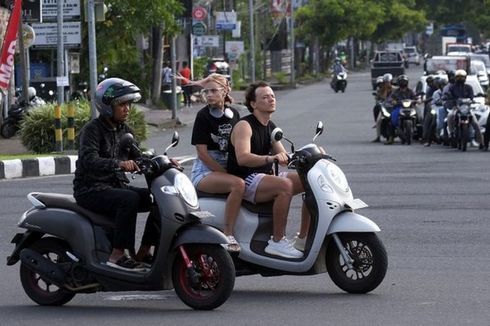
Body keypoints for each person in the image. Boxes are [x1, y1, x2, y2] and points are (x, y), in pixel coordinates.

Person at [73, 78, 159, 272]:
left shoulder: (124, 131)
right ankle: (117, 255)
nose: (127, 108)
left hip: (114, 187)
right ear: (106, 106)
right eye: (122, 104)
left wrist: (162, 162)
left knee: (157, 198)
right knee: (128, 200)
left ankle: (144, 251)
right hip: (91, 189)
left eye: (128, 104)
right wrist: (119, 164)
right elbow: (89, 160)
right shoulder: (92, 130)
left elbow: (139, 155)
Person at [227, 81, 310, 259]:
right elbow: (242, 158)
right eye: (265, 97)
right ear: (253, 104)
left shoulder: (270, 126)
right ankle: (277, 241)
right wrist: (270, 158)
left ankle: (303, 237)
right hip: (246, 178)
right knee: (284, 186)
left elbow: (284, 156)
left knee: (309, 180)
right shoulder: (244, 126)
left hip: (264, 176)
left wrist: (309, 155)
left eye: (272, 96)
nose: (271, 99)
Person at [189, 73, 244, 251]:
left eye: (214, 91)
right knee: (238, 185)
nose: (209, 95)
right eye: (206, 92)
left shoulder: (234, 114)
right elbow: (202, 154)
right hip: (206, 171)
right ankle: (228, 234)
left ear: (225, 91)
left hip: (228, 168)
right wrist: (225, 173)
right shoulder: (202, 116)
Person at [444, 69, 483, 148]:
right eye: (458, 77)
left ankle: (481, 142)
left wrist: (472, 100)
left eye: (462, 77)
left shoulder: (468, 87)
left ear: (465, 78)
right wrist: (449, 99)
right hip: (456, 107)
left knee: (475, 123)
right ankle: (451, 133)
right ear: (455, 78)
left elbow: (471, 97)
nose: (460, 79)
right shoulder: (452, 87)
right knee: (450, 116)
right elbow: (448, 96)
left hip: (466, 108)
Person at [385, 74, 417, 145]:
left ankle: (421, 135)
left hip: (410, 108)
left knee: (420, 117)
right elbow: (390, 98)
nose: (403, 83)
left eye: (404, 82)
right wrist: (392, 101)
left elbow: (415, 98)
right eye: (402, 82)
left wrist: (417, 100)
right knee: (391, 120)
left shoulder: (410, 91)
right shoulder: (396, 91)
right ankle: (391, 137)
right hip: (398, 108)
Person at [372, 74, 394, 143]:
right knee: (378, 121)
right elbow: (382, 98)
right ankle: (378, 137)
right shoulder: (381, 90)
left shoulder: (395, 89)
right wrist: (386, 90)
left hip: (394, 108)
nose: (387, 83)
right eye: (386, 82)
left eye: (388, 82)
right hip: (385, 108)